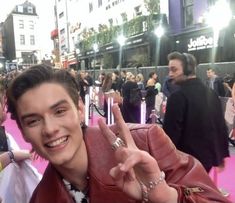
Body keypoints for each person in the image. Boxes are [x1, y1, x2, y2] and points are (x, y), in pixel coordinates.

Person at [6, 64, 231, 203]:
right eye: (33, 120)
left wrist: (167, 196)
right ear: (24, 132)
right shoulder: (42, 198)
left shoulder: (146, 142)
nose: (50, 128)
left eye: (59, 111)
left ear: (80, 108)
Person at [163, 52, 229, 173]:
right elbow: (219, 125)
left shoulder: (177, 97)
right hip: (206, 161)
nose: (170, 74)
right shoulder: (211, 93)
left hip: (183, 163)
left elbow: (170, 135)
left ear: (188, 70)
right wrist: (220, 156)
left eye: (174, 70)